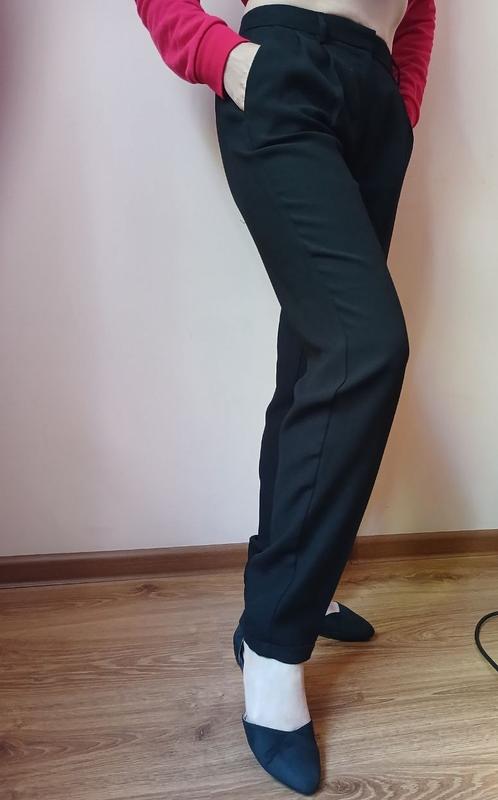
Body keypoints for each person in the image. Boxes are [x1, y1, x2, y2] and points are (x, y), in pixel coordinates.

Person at [134, 0, 436, 794]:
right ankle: (272, 644)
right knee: (364, 347)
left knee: (313, 360)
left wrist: (402, 102)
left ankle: (298, 584)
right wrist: (225, 59)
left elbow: (422, 11)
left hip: (374, 98)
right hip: (284, 68)